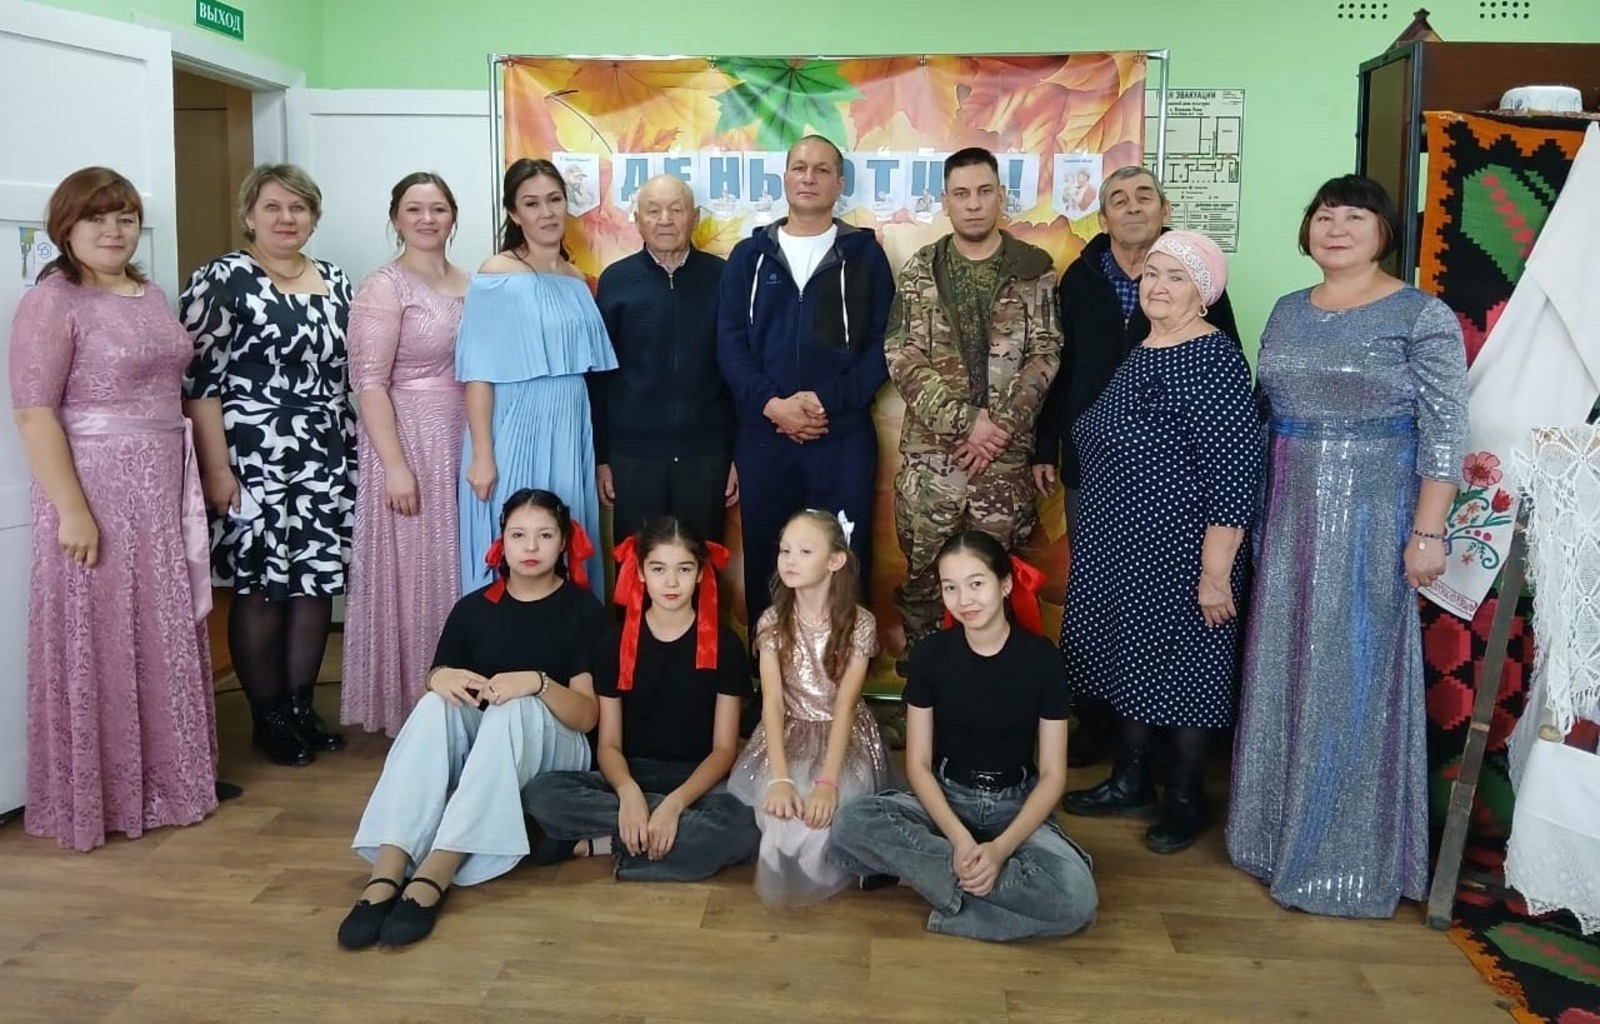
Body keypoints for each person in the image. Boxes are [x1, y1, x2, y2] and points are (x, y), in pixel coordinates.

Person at [1227, 176, 1468, 917]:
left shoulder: (1420, 315)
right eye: (1324, 216)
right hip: (1286, 515)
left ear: (1384, 231)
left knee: (1353, 674)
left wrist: (1427, 531)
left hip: (1374, 518)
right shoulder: (1287, 309)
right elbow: (1263, 413)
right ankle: (1270, 835)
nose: (1336, 228)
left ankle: (1346, 858)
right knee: (1285, 665)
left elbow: (1446, 431)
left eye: (1354, 217)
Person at [9, 166, 220, 851]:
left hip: (161, 486)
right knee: (100, 631)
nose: (113, 230)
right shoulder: (52, 301)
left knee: (159, 624)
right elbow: (34, 413)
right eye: (96, 218)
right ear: (65, 228)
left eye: (125, 217)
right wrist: (72, 510)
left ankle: (166, 782)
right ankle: (100, 795)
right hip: (94, 486)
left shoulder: (151, 293)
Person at [1029, 166, 1243, 768]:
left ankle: (1172, 782)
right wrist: (1047, 444)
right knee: (1112, 622)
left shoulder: (1209, 340)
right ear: (1103, 217)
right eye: (1118, 199)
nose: (1161, 286)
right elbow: (1062, 371)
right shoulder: (1089, 288)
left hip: (1175, 522)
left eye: (1143, 196)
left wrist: (1216, 568)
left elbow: (1229, 456)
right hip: (1104, 498)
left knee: (1176, 641)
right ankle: (1116, 749)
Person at [1059, 231, 1264, 854]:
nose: (1159, 286)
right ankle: (1130, 781)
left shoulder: (1213, 359)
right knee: (1128, 661)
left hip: (1182, 552)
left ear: (1204, 294)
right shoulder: (1145, 350)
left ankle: (1185, 796)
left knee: (1186, 671)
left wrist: (1216, 573)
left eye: (1177, 277)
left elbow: (1234, 474)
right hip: (1122, 548)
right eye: (1152, 273)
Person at [337, 489, 605, 950]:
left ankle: (439, 866)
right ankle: (389, 865)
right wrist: (436, 678)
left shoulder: (582, 610)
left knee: (513, 706)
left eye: (545, 536)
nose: (531, 547)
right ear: (502, 541)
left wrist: (537, 683)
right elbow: (436, 691)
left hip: (558, 747)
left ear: (564, 542)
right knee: (434, 705)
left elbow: (587, 715)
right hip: (489, 747)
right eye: (518, 535)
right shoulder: (474, 608)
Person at [831, 532, 1098, 941]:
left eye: (976, 584)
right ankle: (980, 886)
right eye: (950, 587)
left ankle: (929, 883)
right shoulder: (931, 655)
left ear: (1004, 584)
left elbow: (1052, 775)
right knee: (851, 823)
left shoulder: (1042, 660)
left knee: (1076, 898)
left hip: (1015, 804)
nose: (964, 599)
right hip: (947, 797)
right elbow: (918, 764)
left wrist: (1000, 850)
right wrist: (959, 841)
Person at [183, 163, 355, 768]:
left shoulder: (337, 279)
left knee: (315, 582)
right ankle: (269, 717)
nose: (287, 219)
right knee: (260, 584)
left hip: (325, 449)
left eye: (298, 208)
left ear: (314, 216)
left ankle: (302, 706)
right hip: (251, 452)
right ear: (249, 215)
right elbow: (199, 382)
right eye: (274, 207)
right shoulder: (221, 279)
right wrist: (216, 469)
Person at [717, 135, 894, 642]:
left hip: (840, 438)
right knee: (772, 554)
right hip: (764, 437)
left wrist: (825, 402)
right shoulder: (748, 257)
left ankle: (842, 670)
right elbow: (729, 343)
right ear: (785, 178)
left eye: (821, 169)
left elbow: (885, 344)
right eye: (799, 168)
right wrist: (772, 405)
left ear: (840, 182)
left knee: (843, 554)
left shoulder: (865, 256)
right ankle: (769, 668)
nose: (809, 178)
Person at [887, 147, 1061, 654]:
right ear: (946, 201)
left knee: (999, 585)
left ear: (1001, 196)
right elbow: (901, 355)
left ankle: (993, 694)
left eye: (984, 191)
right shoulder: (921, 271)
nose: (973, 204)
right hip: (933, 465)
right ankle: (923, 688)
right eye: (961, 194)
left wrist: (998, 428)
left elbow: (1046, 353)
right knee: (925, 583)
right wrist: (966, 422)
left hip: (1002, 468)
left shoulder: (1033, 269)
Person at [524, 517, 760, 880]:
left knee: (747, 827)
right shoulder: (613, 643)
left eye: (684, 569)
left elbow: (724, 750)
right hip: (630, 772)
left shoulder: (725, 646)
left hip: (697, 779)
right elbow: (609, 745)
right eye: (659, 569)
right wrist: (628, 793)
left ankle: (605, 843)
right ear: (641, 572)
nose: (671, 582)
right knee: (541, 793)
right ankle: (657, 837)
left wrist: (676, 804)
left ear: (700, 573)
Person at [341, 172, 467, 738]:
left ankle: (463, 700)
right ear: (395, 218)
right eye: (414, 209)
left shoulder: (471, 282)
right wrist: (395, 466)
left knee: (458, 565)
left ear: (453, 216)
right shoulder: (384, 287)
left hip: (463, 436)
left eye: (437, 208)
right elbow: (368, 383)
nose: (427, 219)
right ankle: (414, 707)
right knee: (417, 567)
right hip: (408, 439)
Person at [458, 158, 617, 597]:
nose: (546, 213)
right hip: (515, 425)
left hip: (569, 426)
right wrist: (483, 454)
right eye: (531, 203)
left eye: (554, 200)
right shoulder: (497, 273)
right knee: (518, 538)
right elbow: (478, 373)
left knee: (565, 536)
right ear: (514, 214)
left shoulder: (574, 277)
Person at [726, 509, 894, 907]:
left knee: (823, 816)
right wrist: (780, 778)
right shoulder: (772, 622)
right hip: (788, 731)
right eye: (785, 550)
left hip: (842, 737)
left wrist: (828, 784)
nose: (790, 560)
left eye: (804, 551)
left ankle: (844, 863)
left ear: (835, 561)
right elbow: (772, 703)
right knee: (781, 813)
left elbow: (845, 706)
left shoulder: (859, 624)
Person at [592, 175, 736, 544]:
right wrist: (602, 458)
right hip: (633, 455)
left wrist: (737, 456)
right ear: (638, 220)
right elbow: (599, 377)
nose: (665, 220)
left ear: (695, 217)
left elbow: (737, 371)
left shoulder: (723, 278)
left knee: (701, 559)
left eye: (676, 209)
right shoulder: (616, 281)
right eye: (653, 211)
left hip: (706, 452)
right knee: (637, 561)